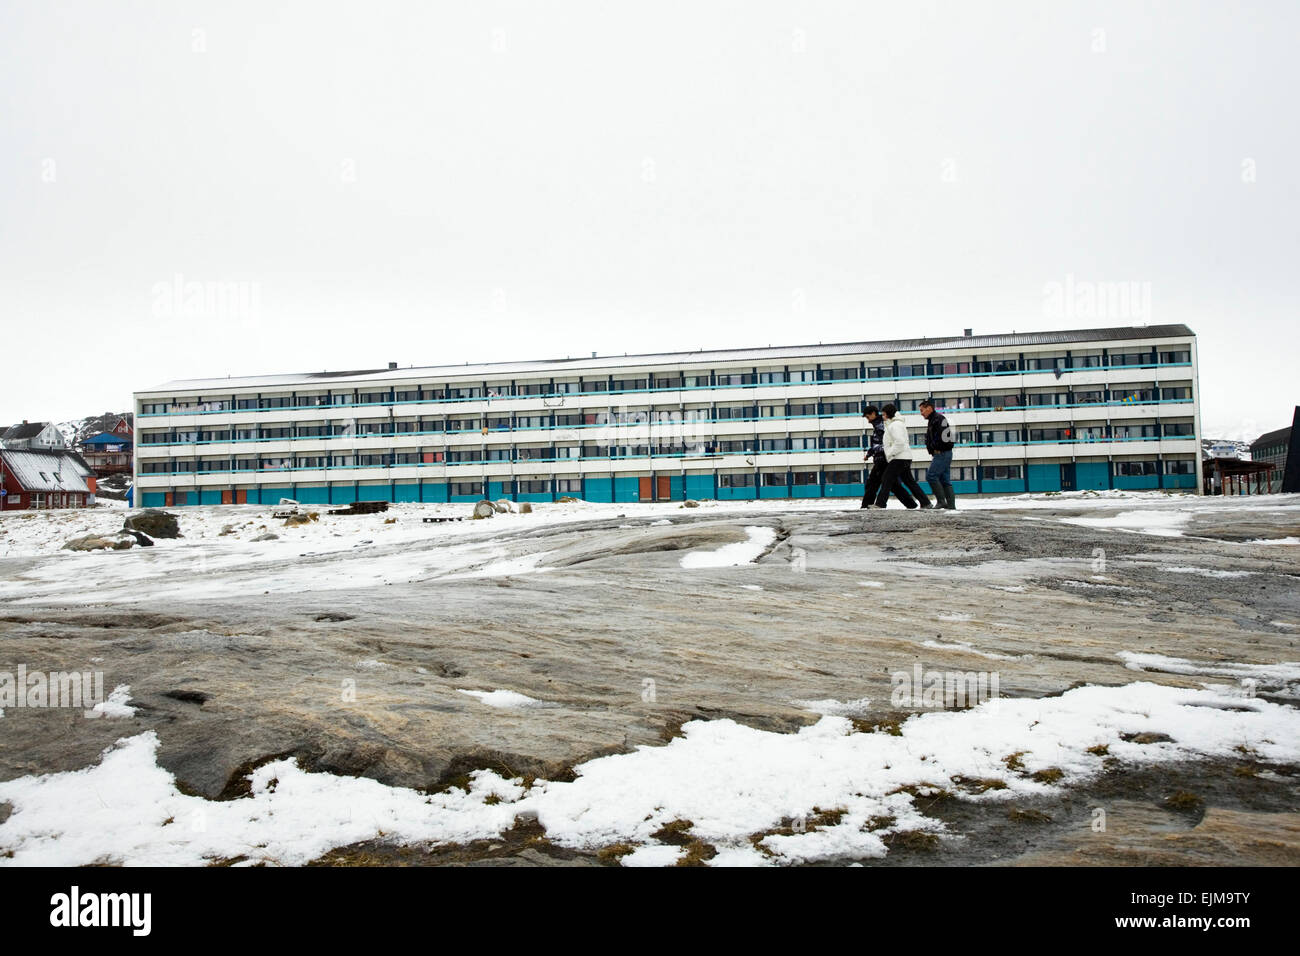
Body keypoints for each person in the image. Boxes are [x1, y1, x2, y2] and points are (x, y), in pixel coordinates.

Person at [871, 404, 931, 509]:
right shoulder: (895, 424)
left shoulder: (895, 425)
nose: (883, 417)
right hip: (903, 457)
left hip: (899, 457)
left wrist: (890, 453)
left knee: (886, 479)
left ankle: (880, 504)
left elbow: (900, 442)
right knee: (909, 481)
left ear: (889, 414)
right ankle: (925, 502)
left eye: (884, 414)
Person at [860, 404, 916, 509]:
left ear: (873, 414)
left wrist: (883, 452)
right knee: (893, 485)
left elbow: (885, 443)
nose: (867, 420)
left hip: (883, 459)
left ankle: (866, 506)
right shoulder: (879, 424)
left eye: (868, 417)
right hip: (883, 457)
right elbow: (878, 443)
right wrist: (869, 453)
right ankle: (911, 504)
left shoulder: (881, 425)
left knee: (872, 483)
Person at [918, 398, 957, 510]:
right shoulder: (934, 420)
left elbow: (943, 437)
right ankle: (951, 506)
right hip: (942, 453)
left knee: (931, 476)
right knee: (944, 480)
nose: (921, 413)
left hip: (942, 453)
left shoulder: (938, 419)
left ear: (929, 408)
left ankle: (941, 501)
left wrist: (934, 446)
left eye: (922, 410)